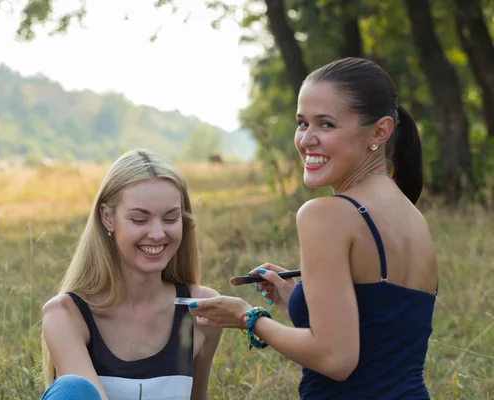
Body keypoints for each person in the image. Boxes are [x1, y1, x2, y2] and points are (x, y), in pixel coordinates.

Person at [187, 57, 439, 399]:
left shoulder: (325, 215)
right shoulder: (413, 217)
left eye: (326, 125)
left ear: (380, 132)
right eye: (302, 123)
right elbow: (380, 327)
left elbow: (336, 360)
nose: (307, 140)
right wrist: (299, 303)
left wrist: (247, 317)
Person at [39, 149, 222, 400]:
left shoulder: (202, 309)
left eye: (170, 218)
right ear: (107, 217)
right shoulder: (65, 315)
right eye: (139, 220)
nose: (157, 234)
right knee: (73, 389)